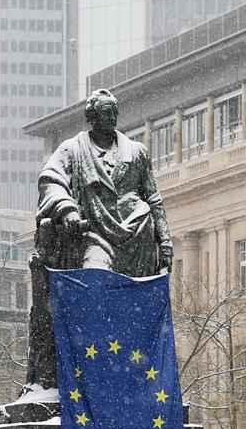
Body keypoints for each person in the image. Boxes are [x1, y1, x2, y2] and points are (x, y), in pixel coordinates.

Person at [26, 88, 173, 388]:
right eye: (105, 113)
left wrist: (165, 240)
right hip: (95, 233)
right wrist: (66, 209)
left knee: (135, 307)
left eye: (114, 112)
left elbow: (154, 199)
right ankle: (94, 362)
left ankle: (130, 368)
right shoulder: (72, 149)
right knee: (95, 282)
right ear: (91, 116)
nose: (111, 118)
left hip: (138, 237)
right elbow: (50, 180)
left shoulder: (137, 152)